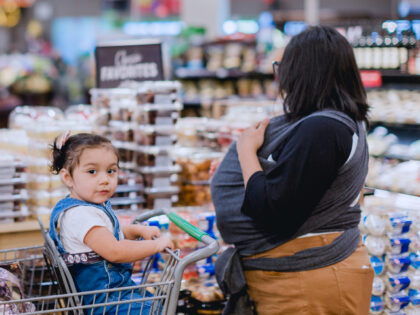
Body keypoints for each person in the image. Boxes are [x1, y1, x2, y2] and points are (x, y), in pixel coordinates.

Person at [212, 25, 374, 315]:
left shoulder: (321, 129)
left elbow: (274, 210)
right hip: (309, 276)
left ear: (302, 72)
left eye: (282, 67)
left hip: (308, 281)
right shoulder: (339, 122)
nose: (280, 77)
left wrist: (246, 152)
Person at [49, 132, 174, 314]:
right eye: (92, 172)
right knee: (158, 310)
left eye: (111, 171)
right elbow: (114, 251)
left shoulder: (87, 207)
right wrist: (156, 245)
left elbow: (104, 235)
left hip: (113, 292)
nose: (105, 179)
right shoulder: (81, 215)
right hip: (104, 300)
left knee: (152, 301)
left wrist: (134, 230)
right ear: (68, 178)